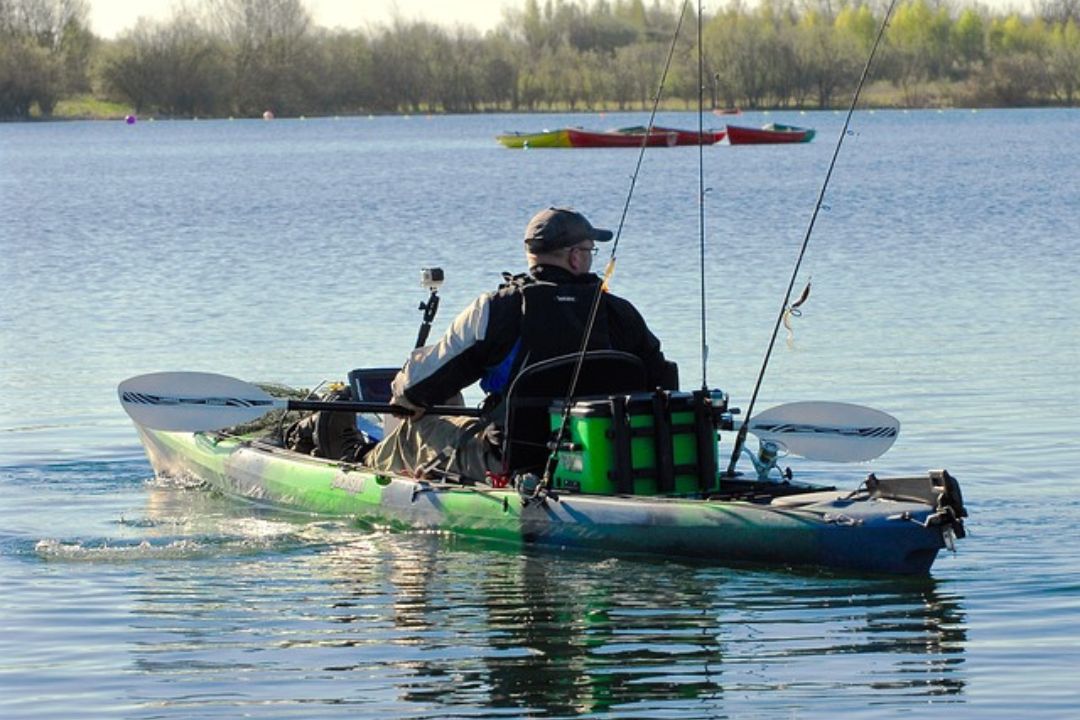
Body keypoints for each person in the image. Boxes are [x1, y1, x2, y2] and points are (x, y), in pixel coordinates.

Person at [365, 207, 677, 481]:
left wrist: (403, 393)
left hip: (513, 462)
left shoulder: (497, 308)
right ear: (574, 257)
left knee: (416, 429)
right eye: (590, 250)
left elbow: (417, 389)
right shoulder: (621, 312)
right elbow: (664, 385)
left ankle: (357, 463)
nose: (590, 257)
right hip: (611, 458)